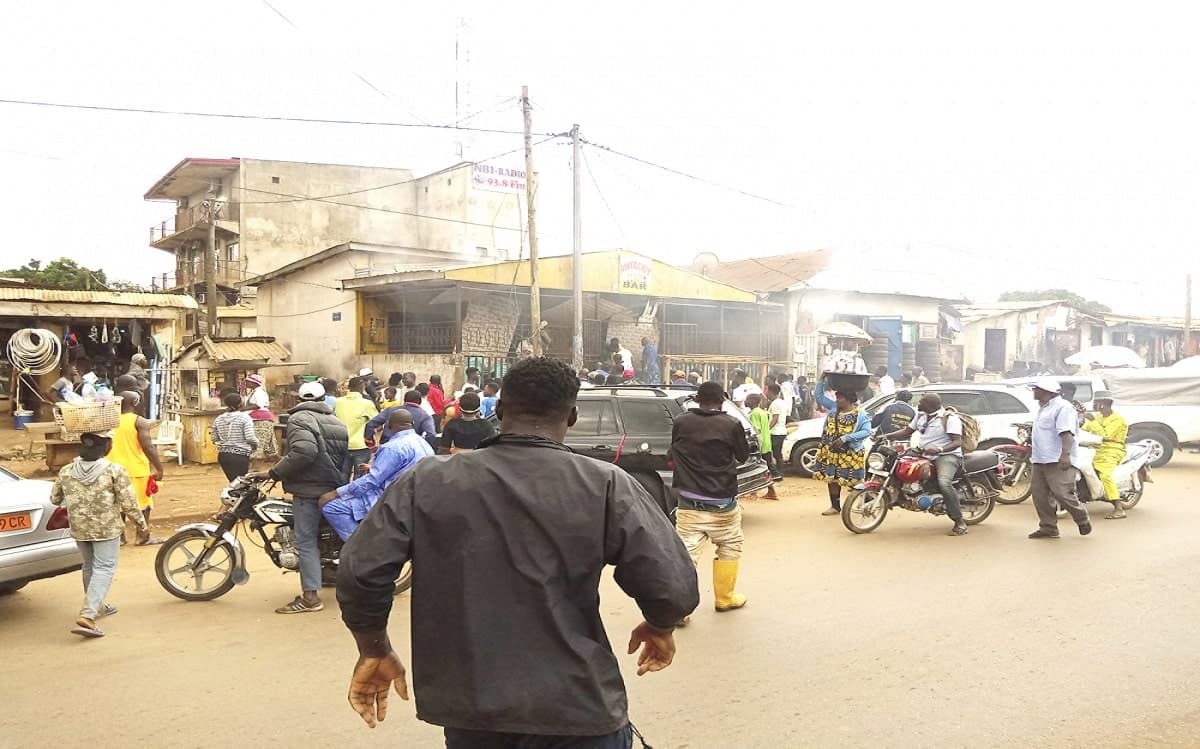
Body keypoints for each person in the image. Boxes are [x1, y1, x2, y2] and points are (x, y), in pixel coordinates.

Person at [336, 357, 698, 744]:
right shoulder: (606, 484)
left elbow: (361, 570)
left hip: (474, 716)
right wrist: (659, 624)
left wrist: (373, 647)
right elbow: (672, 585)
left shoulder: (427, 480)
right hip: (579, 708)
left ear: (501, 411)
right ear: (572, 416)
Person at [249, 381, 349, 614]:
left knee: (305, 541)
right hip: (331, 488)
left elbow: (304, 451)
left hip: (308, 490)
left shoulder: (298, 419)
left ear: (299, 400)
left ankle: (310, 598)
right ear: (324, 399)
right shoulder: (337, 422)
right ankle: (323, 574)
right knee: (317, 538)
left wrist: (274, 472)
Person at [50, 431, 148, 638]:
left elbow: (54, 498)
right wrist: (141, 524)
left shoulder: (66, 471)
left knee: (89, 566)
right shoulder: (114, 470)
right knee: (104, 567)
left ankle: (98, 606)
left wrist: (76, 503)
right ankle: (88, 615)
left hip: (79, 528)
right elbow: (129, 502)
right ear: (106, 447)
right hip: (107, 528)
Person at [670, 381, 750, 613]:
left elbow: (674, 448)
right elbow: (743, 456)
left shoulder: (681, 421)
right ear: (722, 400)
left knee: (686, 554)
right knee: (729, 546)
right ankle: (724, 599)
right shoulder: (731, 424)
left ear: (697, 399)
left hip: (688, 503)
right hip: (722, 503)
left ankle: (681, 611)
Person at [319, 409, 433, 541]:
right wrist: (374, 468)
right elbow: (403, 468)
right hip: (413, 498)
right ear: (412, 423)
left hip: (389, 500)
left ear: (388, 425)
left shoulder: (393, 447)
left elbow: (372, 480)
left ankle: (359, 548)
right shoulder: (423, 444)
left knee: (332, 507)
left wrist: (336, 493)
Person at [881, 393, 968, 536]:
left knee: (944, 482)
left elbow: (957, 442)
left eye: (922, 401)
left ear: (931, 404)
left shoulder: (950, 418)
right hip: (924, 452)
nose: (919, 403)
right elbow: (907, 431)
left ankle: (959, 521)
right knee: (897, 464)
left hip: (946, 455)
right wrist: (886, 436)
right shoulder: (920, 415)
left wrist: (939, 449)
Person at [1026, 380, 1092, 539]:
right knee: (1039, 495)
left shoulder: (1063, 408)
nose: (1034, 392)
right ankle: (1048, 527)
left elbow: (1066, 433)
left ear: (1046, 391)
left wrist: (1065, 455)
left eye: (1036, 389)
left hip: (1057, 458)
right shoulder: (1043, 408)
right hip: (1040, 458)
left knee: (1062, 493)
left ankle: (1081, 518)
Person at [106, 391, 165, 545]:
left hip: (111, 468)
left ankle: (119, 538)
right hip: (136, 469)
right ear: (136, 402)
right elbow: (148, 446)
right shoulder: (139, 421)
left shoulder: (109, 420)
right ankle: (142, 536)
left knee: (117, 505)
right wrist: (159, 467)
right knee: (143, 505)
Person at [811, 378, 872, 516]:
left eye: (840, 398)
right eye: (837, 397)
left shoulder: (861, 414)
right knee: (832, 479)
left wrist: (846, 438)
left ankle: (868, 502)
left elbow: (866, 432)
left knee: (854, 481)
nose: (837, 400)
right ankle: (835, 506)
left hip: (850, 453)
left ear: (849, 400)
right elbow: (819, 396)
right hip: (831, 451)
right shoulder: (833, 408)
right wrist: (821, 378)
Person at [1081, 389, 1129, 520]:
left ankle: (1118, 508)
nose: (1093, 405)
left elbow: (1105, 435)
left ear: (1103, 403)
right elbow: (1084, 430)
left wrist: (1092, 422)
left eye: (1095, 402)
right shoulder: (1098, 417)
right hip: (1094, 448)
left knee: (1105, 474)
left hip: (1112, 450)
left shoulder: (1119, 420)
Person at [336, 376, 379, 481]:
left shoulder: (338, 402)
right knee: (359, 478)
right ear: (362, 386)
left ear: (349, 387)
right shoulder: (367, 403)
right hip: (361, 446)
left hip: (342, 445)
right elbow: (377, 422)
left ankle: (342, 497)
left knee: (342, 476)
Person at [210, 392, 259, 482]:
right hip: (240, 455)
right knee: (241, 483)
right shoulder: (245, 418)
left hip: (224, 455)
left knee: (234, 482)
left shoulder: (219, 418)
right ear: (240, 404)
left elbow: (214, 439)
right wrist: (255, 446)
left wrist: (225, 444)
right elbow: (250, 438)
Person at [746, 394, 780, 500]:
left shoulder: (754, 414)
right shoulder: (762, 412)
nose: (745, 401)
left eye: (747, 399)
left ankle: (769, 491)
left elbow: (756, 431)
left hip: (760, 445)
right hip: (766, 444)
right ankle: (756, 491)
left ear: (752, 401)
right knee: (763, 468)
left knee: (758, 468)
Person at [766, 383, 789, 481]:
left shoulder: (775, 403)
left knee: (772, 454)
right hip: (781, 431)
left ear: (771, 392)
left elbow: (775, 419)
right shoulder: (782, 402)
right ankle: (780, 472)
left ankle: (777, 473)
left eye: (767, 392)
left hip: (775, 432)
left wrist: (767, 430)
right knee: (778, 454)